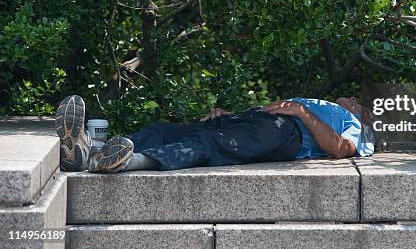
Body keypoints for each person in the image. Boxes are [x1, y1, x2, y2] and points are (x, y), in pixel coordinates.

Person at [55, 95, 375, 173]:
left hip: (285, 133)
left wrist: (302, 112)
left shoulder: (354, 123)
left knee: (207, 145)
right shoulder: (330, 106)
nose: (352, 99)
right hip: (253, 122)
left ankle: (126, 162)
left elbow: (342, 148)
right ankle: (89, 151)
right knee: (167, 129)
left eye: (359, 102)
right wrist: (230, 116)